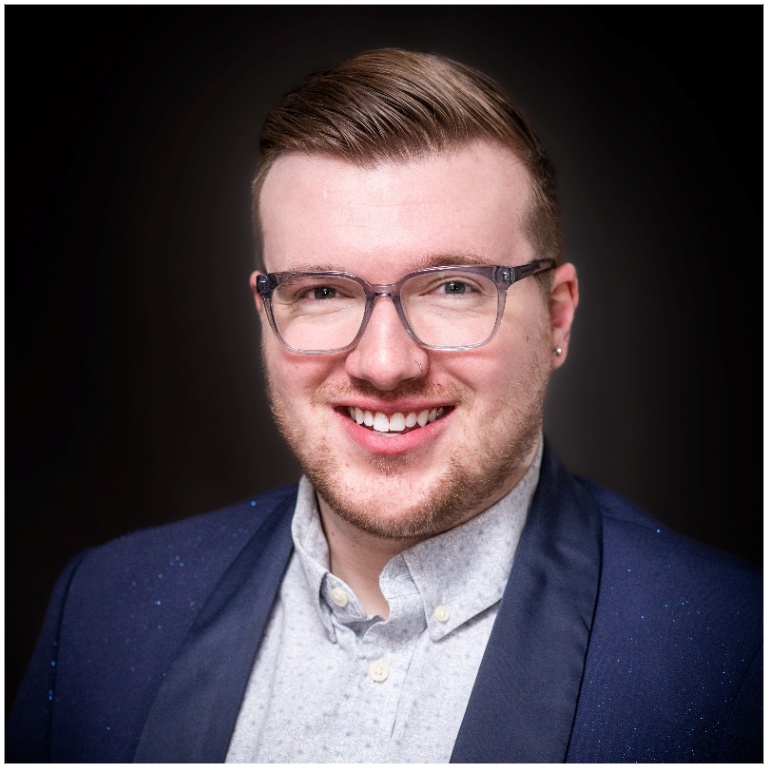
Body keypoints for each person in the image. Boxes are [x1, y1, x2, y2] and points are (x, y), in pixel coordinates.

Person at [6, 48, 761, 764]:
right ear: (267, 313)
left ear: (559, 317)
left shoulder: (734, 651)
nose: (384, 364)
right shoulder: (101, 613)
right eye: (323, 292)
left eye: (455, 287)